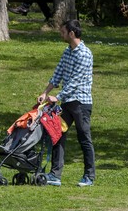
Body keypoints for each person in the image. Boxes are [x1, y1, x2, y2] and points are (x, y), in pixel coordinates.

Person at [37, 19, 95, 187]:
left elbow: (76, 81)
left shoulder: (84, 54)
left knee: (84, 138)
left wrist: (58, 96)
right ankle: (55, 175)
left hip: (80, 103)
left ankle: (89, 176)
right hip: (67, 103)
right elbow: (58, 73)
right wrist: (45, 92)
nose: (60, 35)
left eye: (62, 32)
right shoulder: (67, 51)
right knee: (57, 134)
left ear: (71, 33)